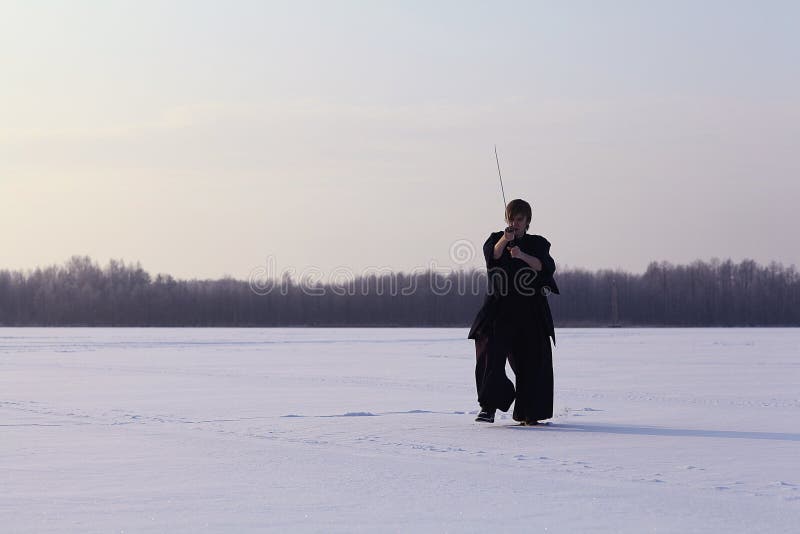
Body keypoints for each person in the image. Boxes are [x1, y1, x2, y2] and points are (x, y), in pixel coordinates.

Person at [467, 198, 559, 425]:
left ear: (527, 221)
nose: (515, 223)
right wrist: (504, 241)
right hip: (500, 310)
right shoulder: (496, 239)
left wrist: (521, 255)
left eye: (519, 219)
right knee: (490, 356)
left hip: (531, 312)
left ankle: (530, 413)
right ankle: (489, 407)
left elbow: (545, 266)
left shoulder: (538, 243)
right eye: (511, 218)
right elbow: (493, 256)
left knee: (534, 363)